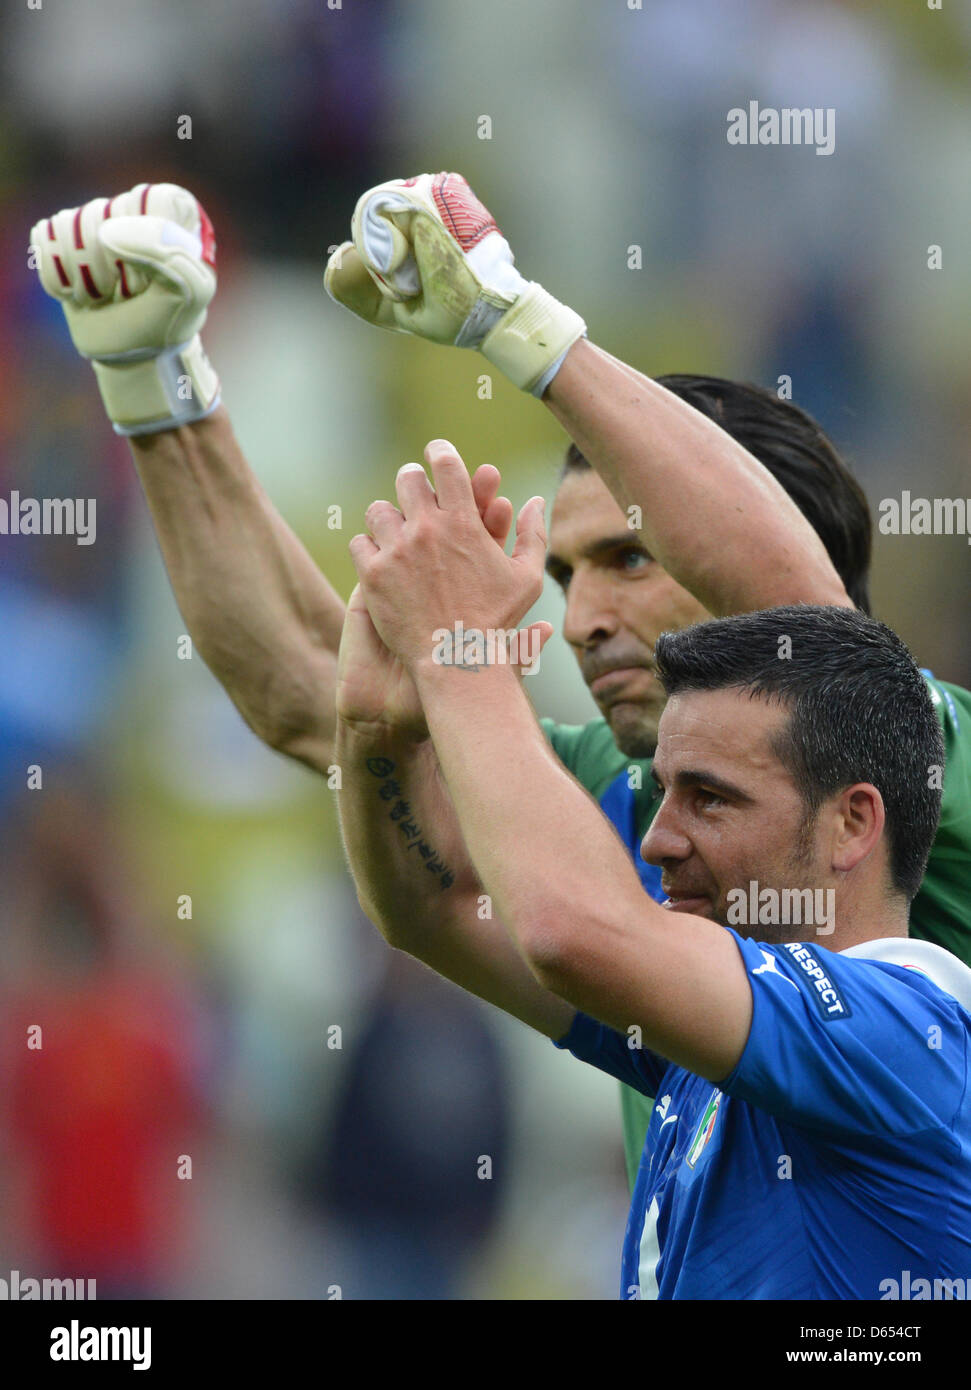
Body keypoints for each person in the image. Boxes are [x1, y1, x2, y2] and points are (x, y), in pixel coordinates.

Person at [31, 175, 971, 1199]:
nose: (578, 620)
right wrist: (152, 378)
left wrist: (510, 321)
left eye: (627, 556)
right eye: (563, 576)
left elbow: (797, 612)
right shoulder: (627, 794)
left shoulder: (928, 753)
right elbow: (311, 699)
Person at [336, 447, 971, 1298]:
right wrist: (374, 726)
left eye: (709, 799)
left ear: (850, 823)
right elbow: (437, 907)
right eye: (663, 792)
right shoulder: (708, 1046)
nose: (657, 839)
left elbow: (567, 930)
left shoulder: (904, 1029)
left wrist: (461, 659)